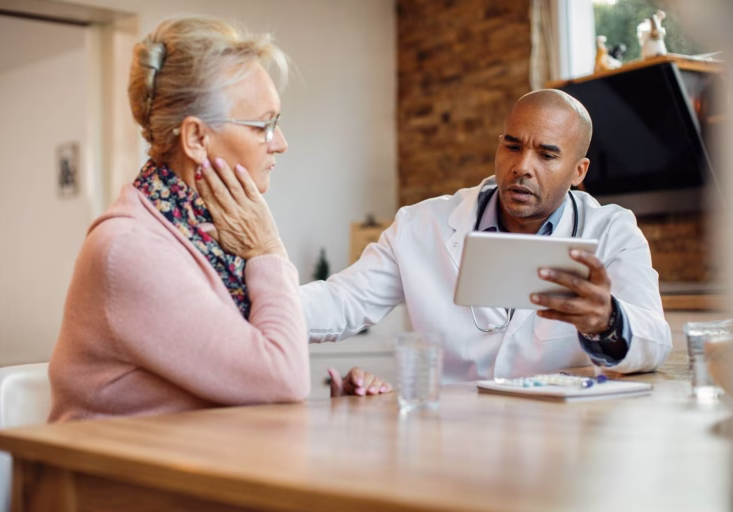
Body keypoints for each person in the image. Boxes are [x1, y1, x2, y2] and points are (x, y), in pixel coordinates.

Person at [303, 89, 672, 389]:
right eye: (512, 146)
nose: (522, 166)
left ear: (579, 171)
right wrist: (252, 303)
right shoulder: (420, 226)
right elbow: (341, 301)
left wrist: (608, 322)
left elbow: (655, 341)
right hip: (452, 438)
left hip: (558, 443)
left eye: (546, 154)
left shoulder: (612, 231)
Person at [48, 17, 312, 421]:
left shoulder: (205, 229)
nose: (280, 143)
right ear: (196, 139)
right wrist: (268, 249)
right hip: (113, 480)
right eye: (265, 125)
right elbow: (283, 379)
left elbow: (252, 379)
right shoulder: (130, 249)